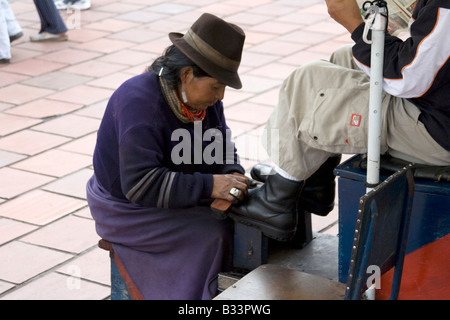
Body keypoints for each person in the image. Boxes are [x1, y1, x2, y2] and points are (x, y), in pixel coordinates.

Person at [230, 0, 450, 241]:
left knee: (308, 80)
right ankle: (313, 184)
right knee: (345, 57)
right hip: (438, 107)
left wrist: (355, 25)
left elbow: (409, 77)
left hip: (437, 132)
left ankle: (276, 201)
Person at [86, 13, 247, 299]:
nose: (220, 96)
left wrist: (232, 173)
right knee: (212, 235)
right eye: (216, 86)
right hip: (126, 207)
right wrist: (211, 185)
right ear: (187, 75)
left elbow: (219, 143)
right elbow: (141, 185)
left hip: (175, 187)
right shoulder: (138, 102)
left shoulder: (202, 101)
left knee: (245, 220)